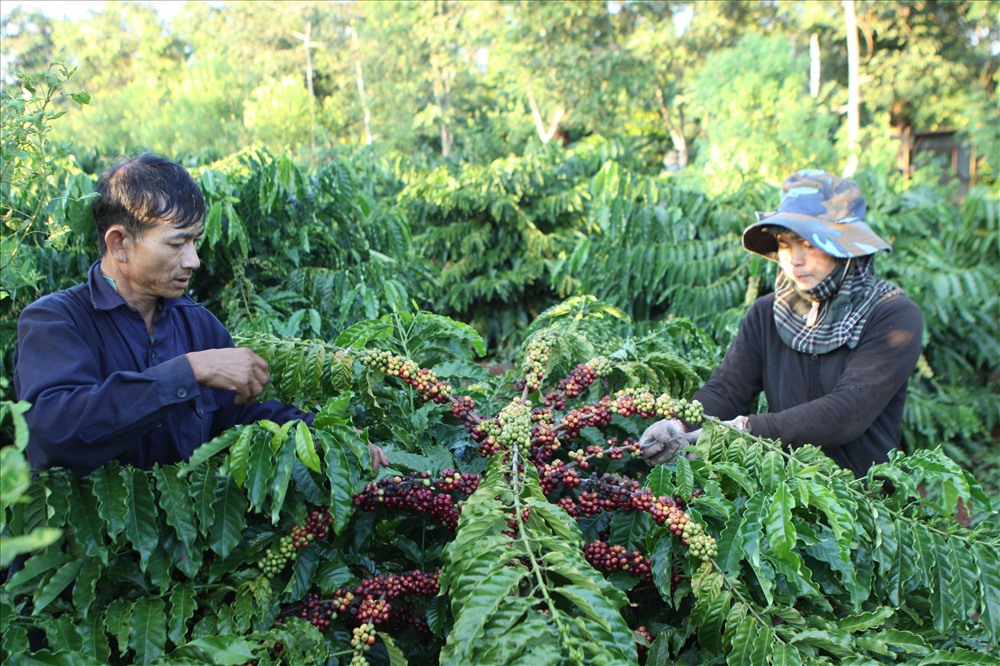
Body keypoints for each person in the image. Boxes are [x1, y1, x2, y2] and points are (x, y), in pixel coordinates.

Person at [13, 154, 389, 476]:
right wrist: (190, 371)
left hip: (183, 555)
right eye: (177, 243)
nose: (193, 260)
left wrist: (322, 434)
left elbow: (234, 422)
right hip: (83, 559)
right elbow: (54, 432)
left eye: (195, 241)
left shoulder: (199, 324)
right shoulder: (56, 322)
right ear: (120, 243)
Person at [639, 169, 924, 477]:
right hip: (788, 493)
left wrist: (745, 429)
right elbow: (727, 390)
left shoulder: (892, 315)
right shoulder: (768, 313)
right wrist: (678, 424)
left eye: (809, 244)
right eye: (786, 244)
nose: (794, 259)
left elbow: (848, 410)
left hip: (867, 501)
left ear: (845, 250)